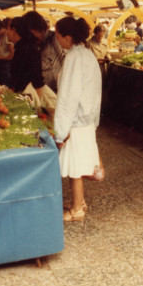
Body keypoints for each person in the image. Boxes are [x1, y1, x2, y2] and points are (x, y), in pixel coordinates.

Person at [53, 17, 102, 222]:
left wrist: (61, 130)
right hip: (86, 118)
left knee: (75, 168)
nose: (57, 41)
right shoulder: (86, 54)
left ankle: (78, 209)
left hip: (76, 120)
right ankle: (79, 202)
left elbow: (67, 96)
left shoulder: (74, 57)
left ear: (67, 37)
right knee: (79, 165)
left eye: (57, 37)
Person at [24, 11, 65, 93]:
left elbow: (64, 59)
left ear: (37, 28)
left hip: (55, 89)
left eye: (31, 32)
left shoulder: (54, 38)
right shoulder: (35, 42)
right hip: (42, 89)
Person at [8, 16, 44, 95]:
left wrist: (13, 88)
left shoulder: (25, 48)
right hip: (26, 93)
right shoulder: (24, 46)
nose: (7, 32)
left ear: (13, 30)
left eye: (8, 29)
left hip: (27, 94)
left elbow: (23, 74)